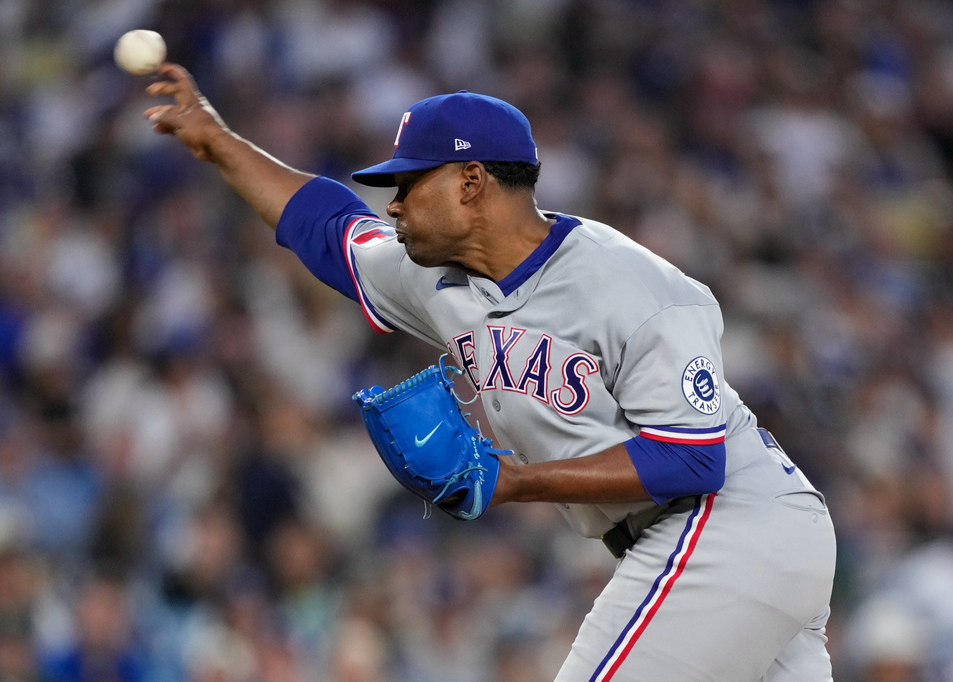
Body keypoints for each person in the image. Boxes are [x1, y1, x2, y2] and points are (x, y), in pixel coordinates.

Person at [144, 63, 837, 681]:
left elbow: (692, 462)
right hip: (718, 544)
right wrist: (219, 144)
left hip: (727, 523)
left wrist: (513, 483)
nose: (395, 205)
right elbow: (328, 231)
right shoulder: (433, 275)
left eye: (410, 183)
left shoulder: (632, 286)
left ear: (471, 182)